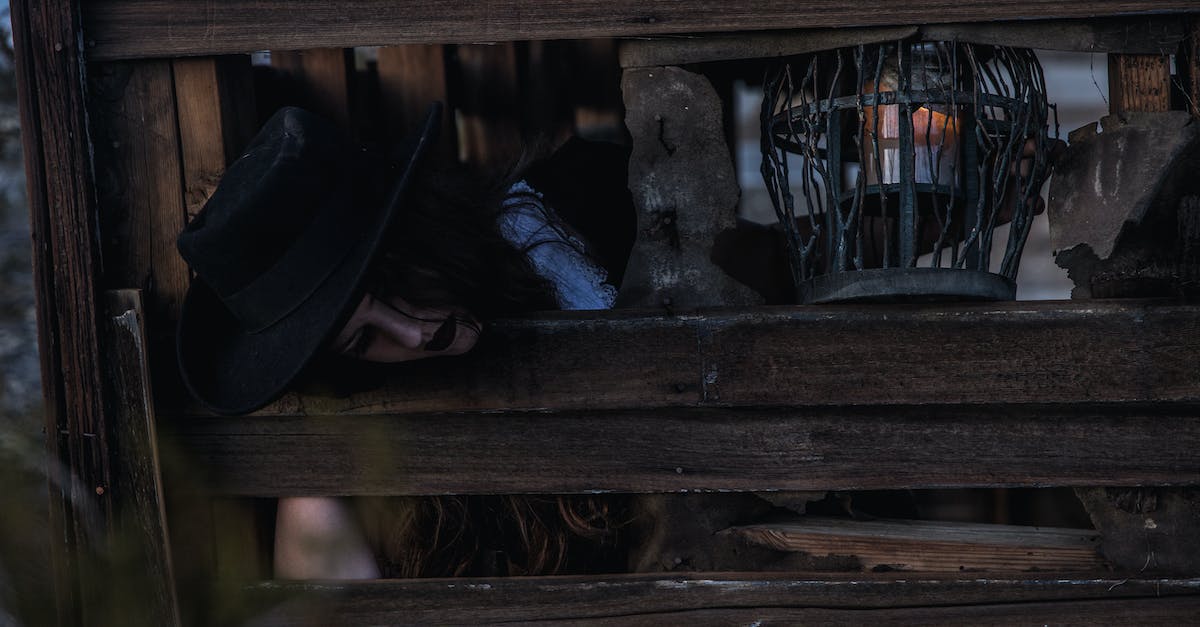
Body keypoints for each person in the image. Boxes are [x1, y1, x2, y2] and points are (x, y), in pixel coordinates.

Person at [176, 104, 635, 578]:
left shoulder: (591, 205)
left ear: (422, 234)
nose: (413, 333)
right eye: (363, 339)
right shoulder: (358, 448)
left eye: (395, 285)